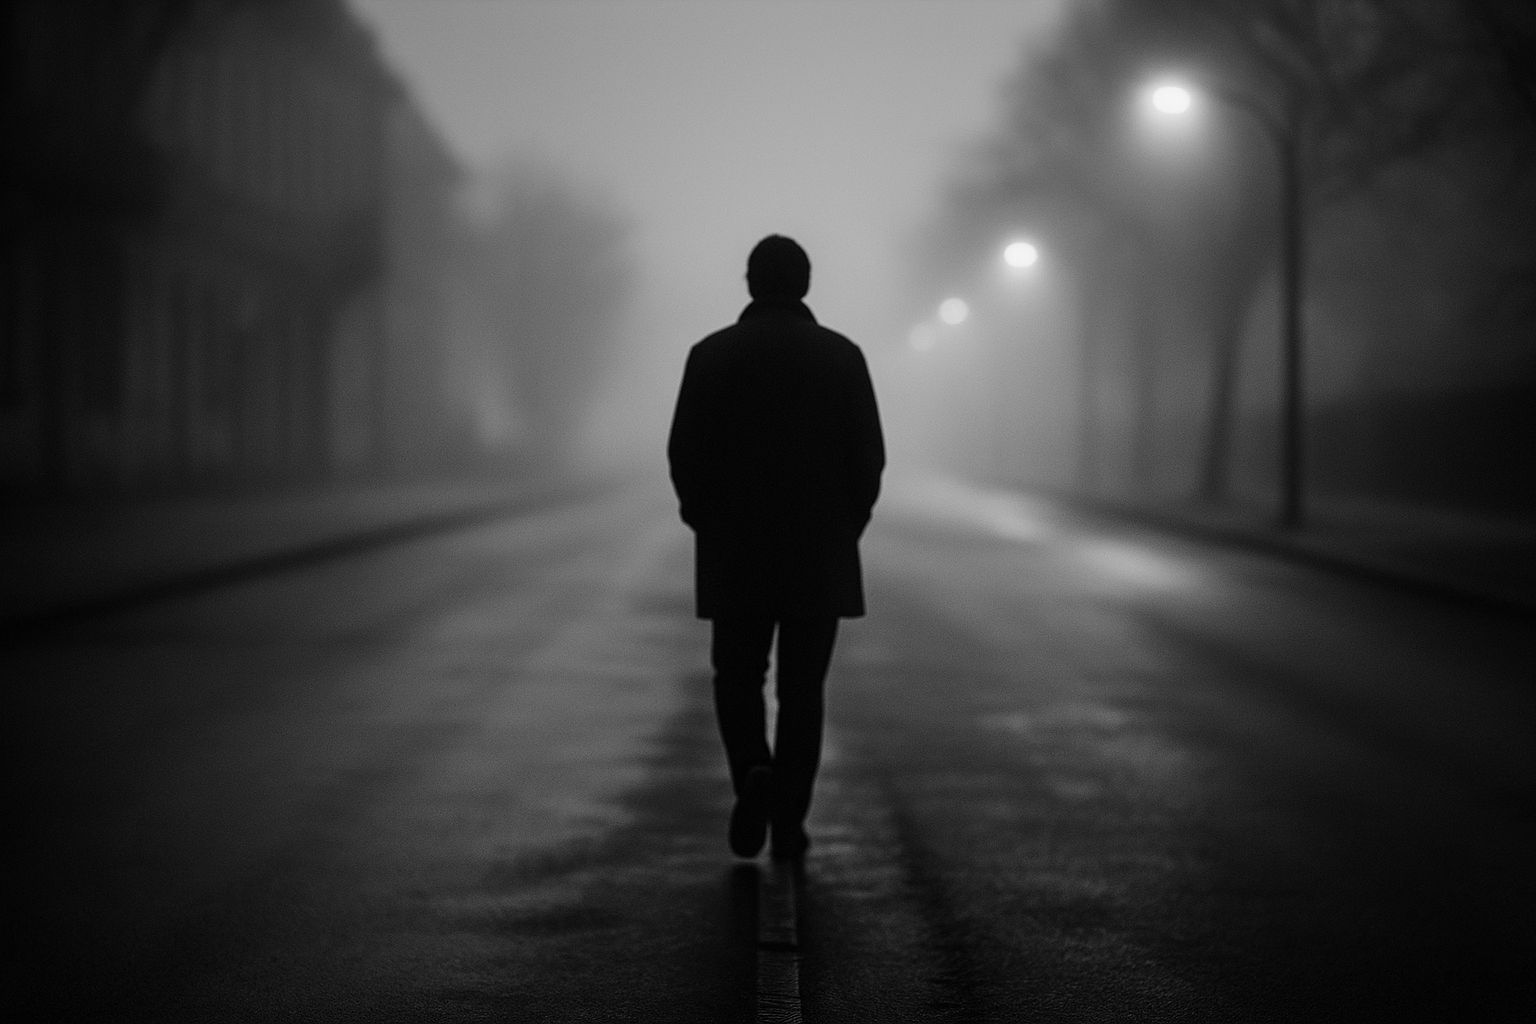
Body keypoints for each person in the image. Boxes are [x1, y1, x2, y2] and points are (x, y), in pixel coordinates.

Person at [667, 234, 885, 861]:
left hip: (736, 551)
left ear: (750, 283)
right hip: (819, 553)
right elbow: (868, 460)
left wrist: (706, 521)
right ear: (807, 284)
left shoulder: (710, 357)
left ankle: (753, 773)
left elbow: (684, 455)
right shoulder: (843, 358)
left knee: (736, 676)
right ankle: (790, 819)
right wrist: (846, 527)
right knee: (802, 689)